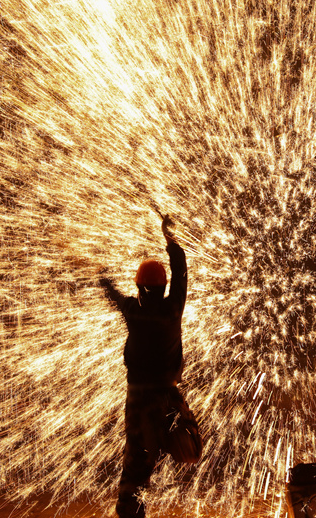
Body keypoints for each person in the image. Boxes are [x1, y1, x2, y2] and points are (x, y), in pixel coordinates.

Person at [98, 214, 202, 518]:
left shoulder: (134, 311)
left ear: (139, 288)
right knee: (188, 443)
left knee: (135, 476)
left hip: (141, 402)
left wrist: (101, 277)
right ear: (162, 287)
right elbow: (181, 273)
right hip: (169, 400)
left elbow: (114, 296)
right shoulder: (173, 309)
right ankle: (175, 440)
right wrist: (171, 240)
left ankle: (132, 510)